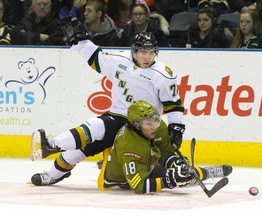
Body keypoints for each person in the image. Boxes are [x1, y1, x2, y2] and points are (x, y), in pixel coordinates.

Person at [30, 29, 188, 186]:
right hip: (118, 116)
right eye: (142, 52)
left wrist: (176, 127)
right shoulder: (119, 60)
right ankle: (51, 172)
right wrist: (80, 42)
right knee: (77, 151)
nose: (147, 57)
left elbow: (173, 104)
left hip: (142, 127)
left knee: (97, 126)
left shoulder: (163, 74)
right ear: (134, 51)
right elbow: (96, 58)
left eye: (152, 52)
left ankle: (53, 144)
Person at [98, 100, 232, 194]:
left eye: (155, 120)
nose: (154, 126)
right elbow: (138, 186)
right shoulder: (130, 147)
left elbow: (166, 153)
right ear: (137, 125)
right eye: (148, 124)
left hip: (145, 159)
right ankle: (205, 173)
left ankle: (206, 172)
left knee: (183, 171)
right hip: (122, 178)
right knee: (179, 177)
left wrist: (177, 163)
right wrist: (167, 180)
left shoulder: (157, 126)